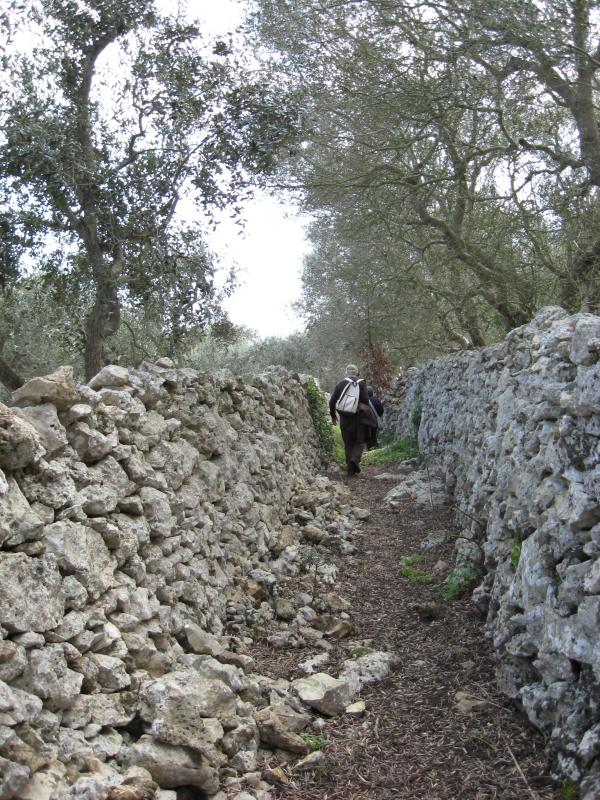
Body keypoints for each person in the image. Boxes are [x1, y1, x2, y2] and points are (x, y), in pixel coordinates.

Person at [329, 364, 370, 475]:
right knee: (359, 441)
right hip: (359, 417)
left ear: (346, 373)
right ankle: (354, 460)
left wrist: (333, 416)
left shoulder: (341, 384)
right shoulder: (362, 383)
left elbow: (332, 401)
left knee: (348, 442)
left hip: (344, 418)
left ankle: (350, 469)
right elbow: (365, 400)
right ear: (357, 373)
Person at [366, 386, 384, 450]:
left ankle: (369, 449)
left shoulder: (362, 400)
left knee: (367, 436)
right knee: (373, 435)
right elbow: (381, 410)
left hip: (365, 422)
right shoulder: (376, 400)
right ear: (372, 393)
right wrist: (379, 415)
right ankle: (374, 448)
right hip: (374, 420)